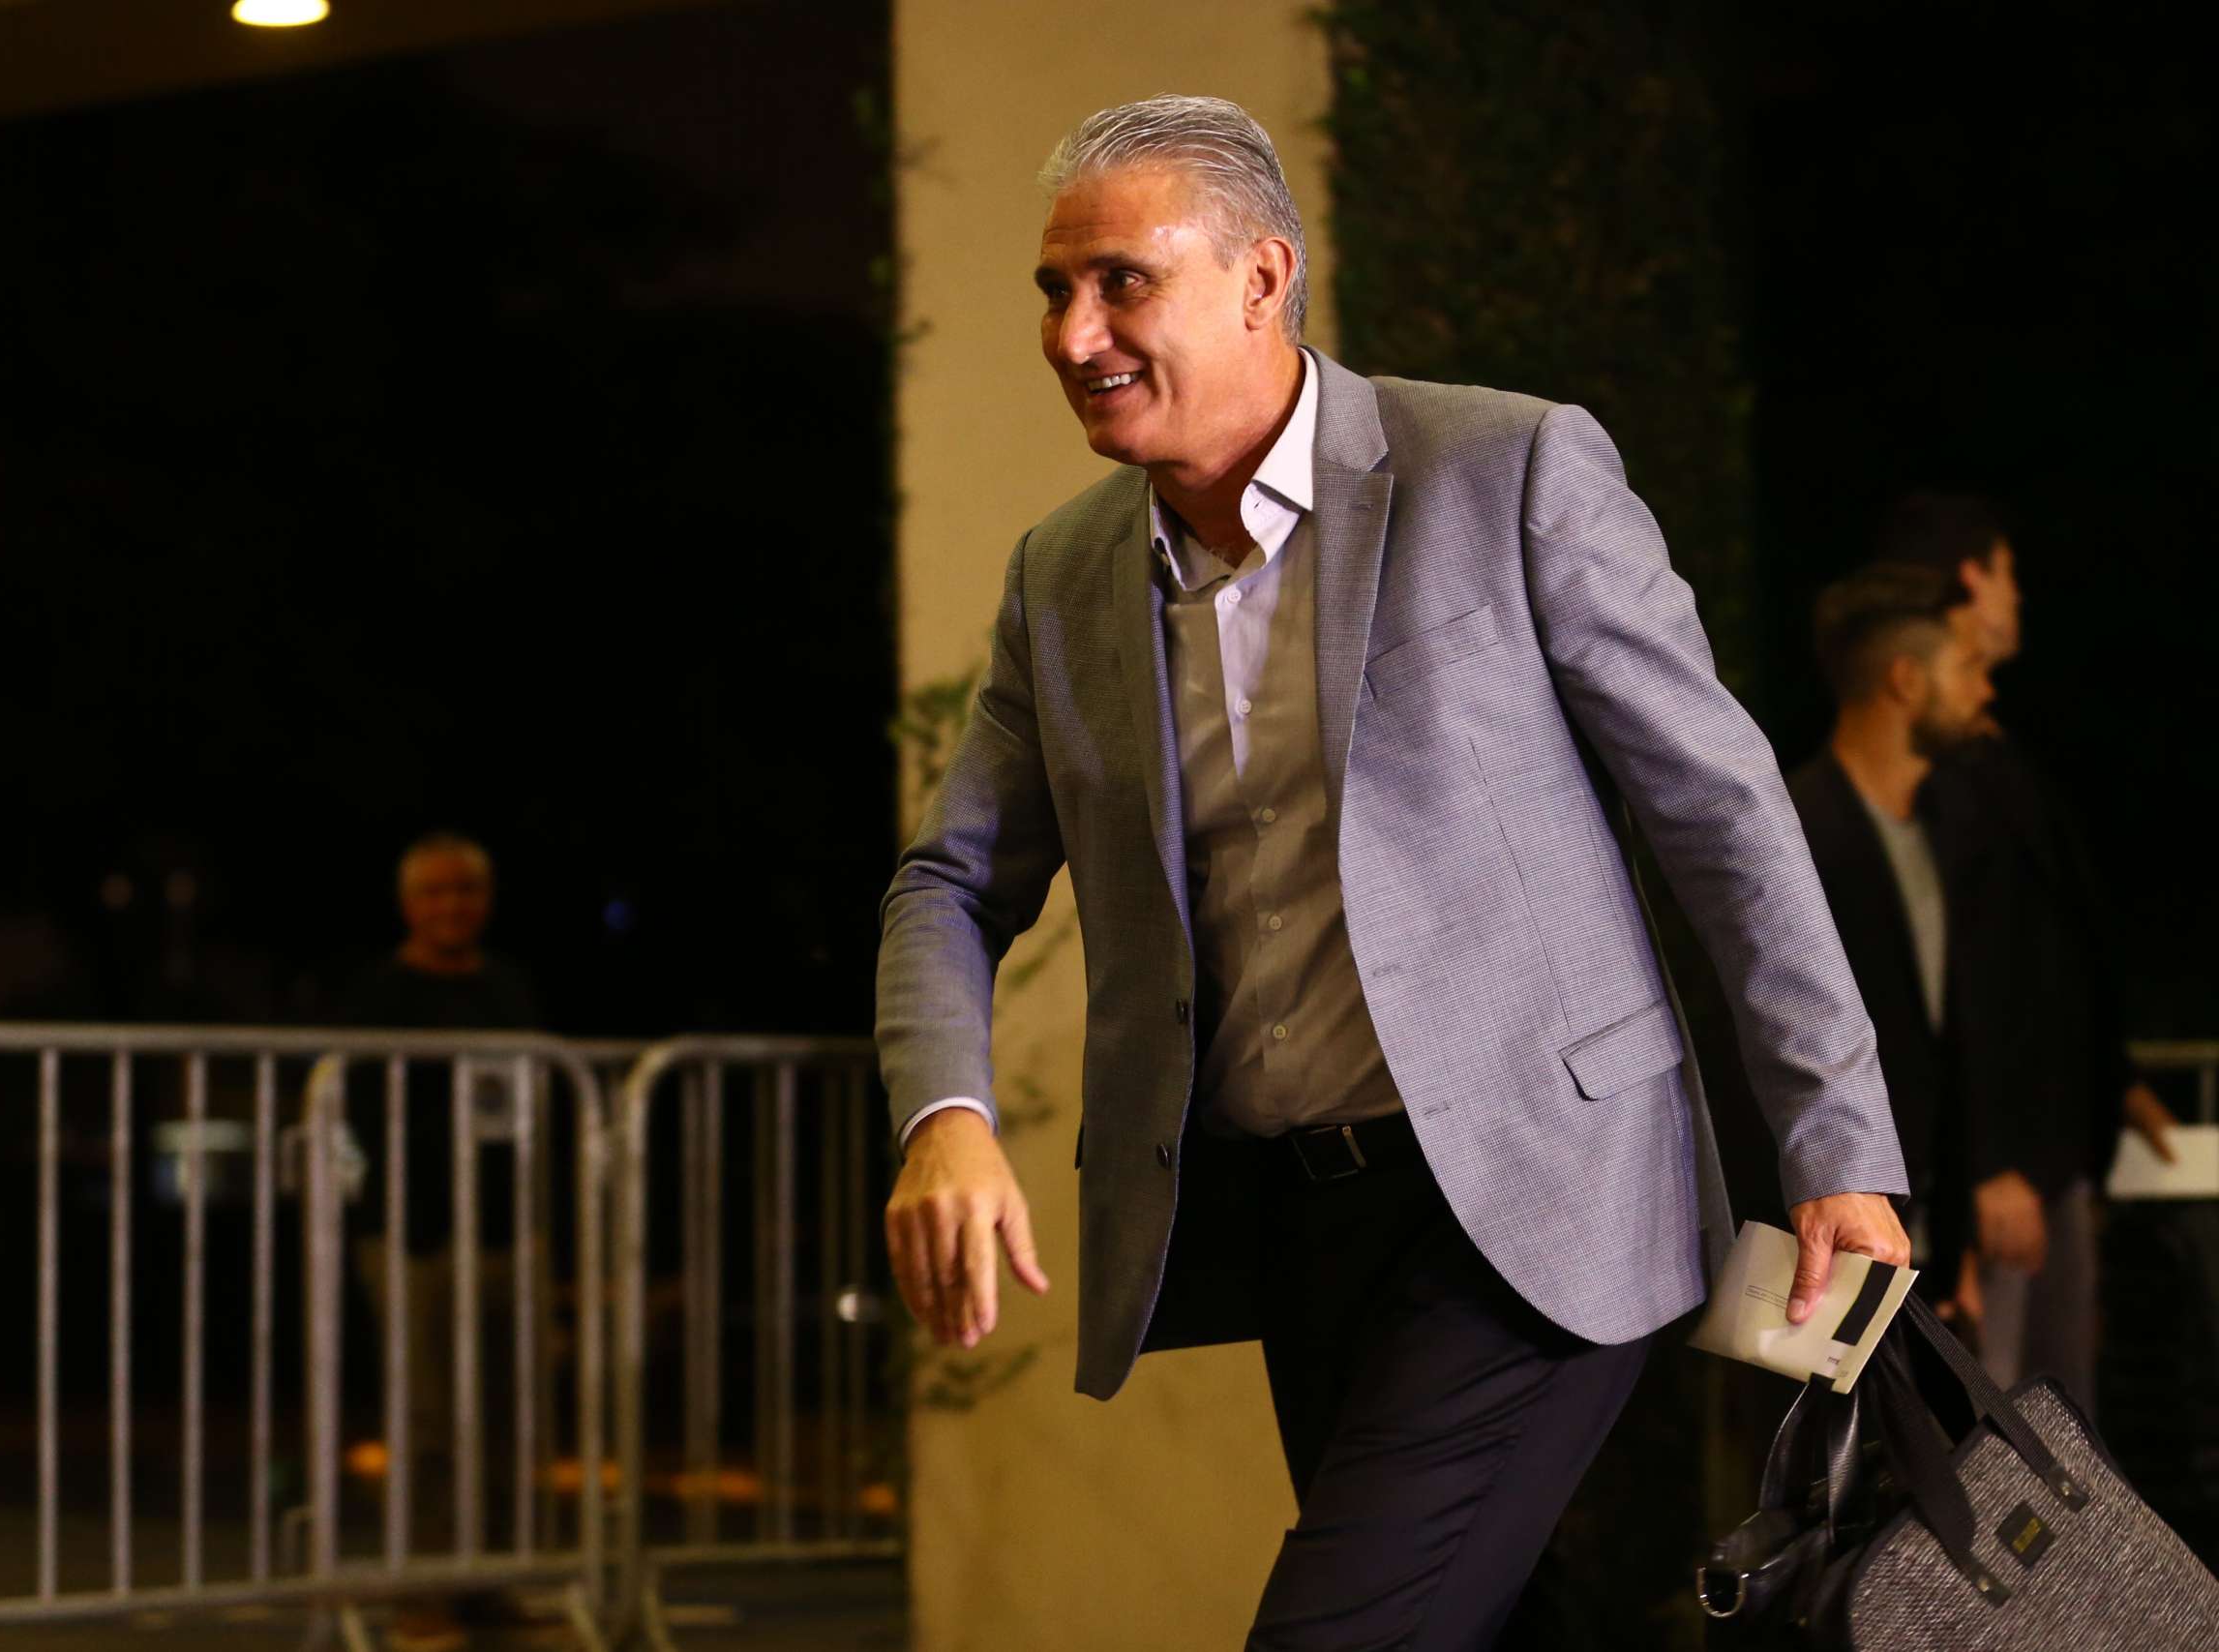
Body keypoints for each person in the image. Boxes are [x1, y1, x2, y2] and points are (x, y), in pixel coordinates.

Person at [875, 95, 1909, 1650]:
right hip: (1299, 1222)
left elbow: (1724, 811)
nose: (1073, 333)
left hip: (1540, 1193)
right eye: (1054, 289)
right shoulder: (1064, 574)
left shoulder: (1506, 466)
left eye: (1121, 281)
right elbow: (948, 882)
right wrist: (943, 1115)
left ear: (1262, 278)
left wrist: (1838, 1144)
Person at [1875, 493, 2178, 1413]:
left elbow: (2043, 945)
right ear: (1973, 575)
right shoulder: (1932, 763)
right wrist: (1989, 1160)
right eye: (2008, 572)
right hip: (2001, 1166)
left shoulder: (1985, 748)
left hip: (2044, 1148)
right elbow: (1956, 974)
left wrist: (2111, 1076)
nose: (2018, 595)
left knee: (2054, 1414)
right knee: (2002, 1423)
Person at [343, 830, 541, 1652]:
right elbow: (362, 1113)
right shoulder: (379, 993)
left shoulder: (507, 987)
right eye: (435, 891)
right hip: (411, 1235)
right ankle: (421, 1594)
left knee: (503, 1415)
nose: (452, 906)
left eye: (465, 890)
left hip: (501, 1232)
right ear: (408, 904)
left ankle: (486, 1581)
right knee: (427, 1419)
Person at [1785, 564, 1997, 1304]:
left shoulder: (1945, 829)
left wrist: (1958, 1234)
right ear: (1906, 680)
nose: (1986, 689)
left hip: (1927, 1236)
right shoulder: (1794, 834)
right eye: (1967, 667)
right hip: (1830, 1248)